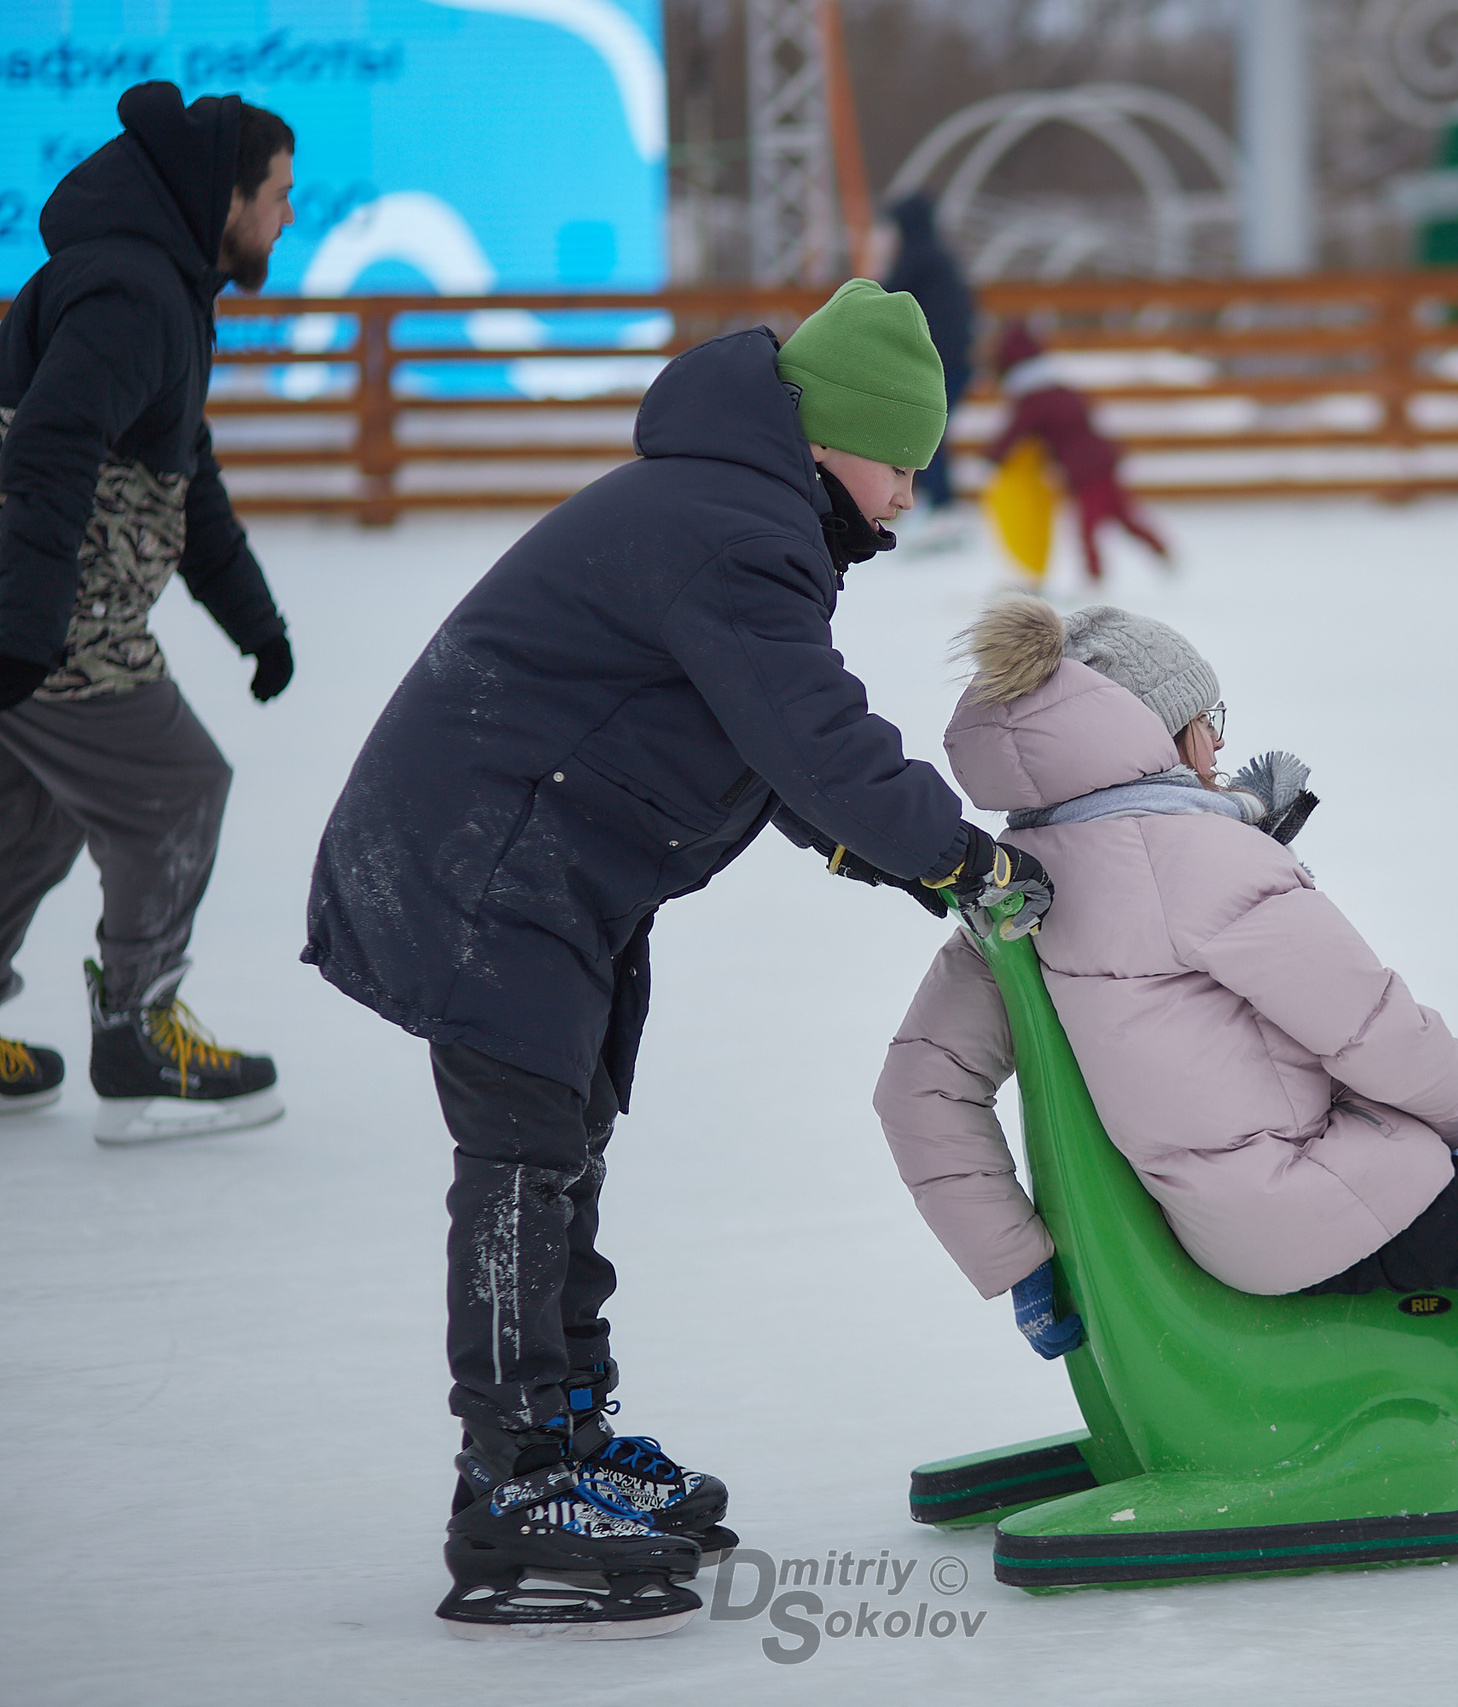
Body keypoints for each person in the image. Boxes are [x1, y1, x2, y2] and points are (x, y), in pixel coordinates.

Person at [302, 279, 1055, 1638]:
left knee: (561, 1146)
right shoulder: (734, 532)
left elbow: (764, 755)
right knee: (526, 1163)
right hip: (485, 863)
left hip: (538, 869)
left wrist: (899, 857)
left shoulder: (737, 514)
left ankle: (570, 1438)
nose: (902, 501)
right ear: (837, 438)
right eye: (900, 466)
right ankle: (514, 1483)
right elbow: (814, 738)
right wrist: (967, 860)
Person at [875, 597, 1458, 1360]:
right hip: (1310, 1210)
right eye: (1209, 718)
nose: (1222, 744)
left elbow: (917, 1089)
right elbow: (1381, 1036)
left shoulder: (1005, 894)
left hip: (1207, 1216)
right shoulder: (1204, 858)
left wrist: (1019, 1265)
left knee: (1440, 1103)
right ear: (1165, 733)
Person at [0, 82, 297, 1142]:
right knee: (174, 791)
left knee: (34, 811)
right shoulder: (132, 294)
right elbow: (45, 448)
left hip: (43, 610)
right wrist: (28, 630)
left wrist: (253, 622)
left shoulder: (161, 287)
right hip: (56, 616)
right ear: (223, 197)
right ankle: (137, 1036)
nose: (287, 216)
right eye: (276, 195)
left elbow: (185, 476)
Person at [985, 323, 1173, 585]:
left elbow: (1016, 431)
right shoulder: (1060, 388)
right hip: (1101, 461)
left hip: (1085, 469)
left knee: (1090, 526)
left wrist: (993, 456)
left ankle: (1094, 580)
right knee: (1121, 515)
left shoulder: (1033, 398)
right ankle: (1160, 550)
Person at [882, 188, 975, 539]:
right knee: (931, 432)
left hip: (938, 363)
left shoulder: (917, 257)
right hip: (954, 360)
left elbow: (886, 296)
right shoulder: (941, 256)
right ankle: (939, 505)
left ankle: (941, 509)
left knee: (927, 433)